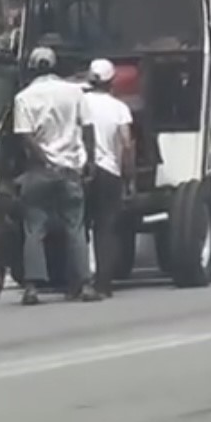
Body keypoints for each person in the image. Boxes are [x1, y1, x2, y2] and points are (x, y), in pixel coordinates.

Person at [12, 45, 99, 305]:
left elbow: (24, 136)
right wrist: (90, 160)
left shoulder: (24, 98)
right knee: (75, 227)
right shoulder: (73, 93)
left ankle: (32, 287)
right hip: (70, 168)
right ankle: (83, 284)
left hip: (39, 172)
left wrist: (43, 158)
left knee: (34, 228)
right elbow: (88, 128)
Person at [81, 58, 135, 299]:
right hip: (110, 172)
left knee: (79, 227)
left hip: (82, 170)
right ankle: (104, 282)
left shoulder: (79, 103)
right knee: (106, 229)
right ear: (112, 81)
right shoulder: (119, 108)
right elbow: (126, 143)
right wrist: (128, 176)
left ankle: (80, 279)